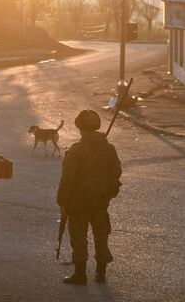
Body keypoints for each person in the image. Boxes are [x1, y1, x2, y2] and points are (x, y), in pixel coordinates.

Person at [57, 109, 122, 284]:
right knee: (101, 235)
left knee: (78, 236)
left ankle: (80, 274)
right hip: (101, 201)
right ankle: (101, 273)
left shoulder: (77, 150)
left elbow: (67, 178)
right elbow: (116, 172)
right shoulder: (108, 148)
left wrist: (62, 201)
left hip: (79, 201)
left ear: (81, 128)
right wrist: (107, 193)